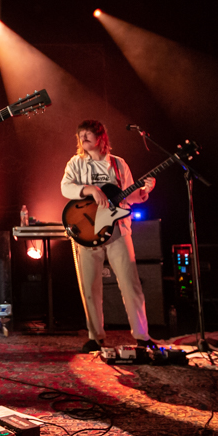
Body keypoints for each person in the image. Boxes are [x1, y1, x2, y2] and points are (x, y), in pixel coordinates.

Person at [61, 120, 156, 353]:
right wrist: (91, 189)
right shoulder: (76, 163)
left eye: (88, 134)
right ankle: (96, 336)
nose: (83, 138)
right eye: (80, 134)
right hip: (87, 231)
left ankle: (142, 335)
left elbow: (130, 197)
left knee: (130, 282)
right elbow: (65, 187)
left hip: (118, 231)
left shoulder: (118, 163)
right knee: (90, 287)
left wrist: (144, 191)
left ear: (101, 137)